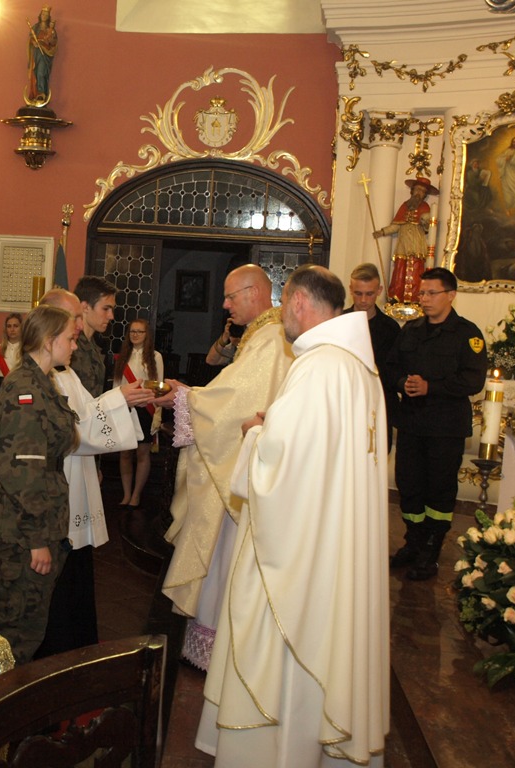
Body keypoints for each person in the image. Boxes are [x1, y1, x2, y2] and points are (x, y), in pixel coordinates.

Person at [198, 265, 390, 768]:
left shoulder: (318, 366)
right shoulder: (360, 368)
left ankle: (277, 750)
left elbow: (281, 463)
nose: (282, 313)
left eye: (284, 304)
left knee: (271, 634)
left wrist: (255, 433)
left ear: (300, 302)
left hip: (302, 551)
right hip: (335, 539)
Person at [155, 264, 293, 670]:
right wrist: (192, 396)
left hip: (244, 471)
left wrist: (186, 398)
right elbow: (233, 391)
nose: (225, 305)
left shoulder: (271, 339)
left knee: (227, 559)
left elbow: (235, 403)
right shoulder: (261, 335)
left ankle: (224, 648)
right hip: (242, 464)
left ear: (255, 293)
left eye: (232, 296)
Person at [34, 289, 151, 659]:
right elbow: (74, 430)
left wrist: (122, 400)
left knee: (77, 570)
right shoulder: (40, 378)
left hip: (77, 479)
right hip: (57, 485)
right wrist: (119, 400)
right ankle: (55, 651)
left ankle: (77, 645)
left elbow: (87, 412)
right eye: (72, 322)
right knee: (58, 579)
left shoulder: (64, 372)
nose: (77, 330)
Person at [0, 303, 78, 664]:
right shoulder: (25, 388)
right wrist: (37, 540)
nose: (74, 346)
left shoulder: (42, 381)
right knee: (17, 632)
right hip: (22, 530)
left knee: (28, 625)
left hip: (37, 521)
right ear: (49, 341)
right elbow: (23, 470)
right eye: (70, 338)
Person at [385, 267, 488, 581]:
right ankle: (413, 541)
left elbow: (473, 380)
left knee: (439, 490)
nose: (424, 299)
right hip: (413, 423)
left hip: (445, 428)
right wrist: (403, 382)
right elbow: (390, 368)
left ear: (451, 295)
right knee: (409, 485)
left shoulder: (467, 334)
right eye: (422, 293)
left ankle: (431, 549)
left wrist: (432, 387)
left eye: (432, 293)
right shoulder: (411, 330)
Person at [345, 263, 400, 448]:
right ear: (350, 289)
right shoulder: (339, 322)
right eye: (358, 293)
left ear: (379, 291)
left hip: (379, 405)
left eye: (369, 294)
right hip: (346, 403)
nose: (363, 300)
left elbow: (394, 371)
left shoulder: (390, 328)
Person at [112, 319, 162, 508]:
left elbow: (159, 386)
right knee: (125, 453)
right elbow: (116, 385)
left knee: (142, 453)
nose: (135, 335)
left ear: (146, 335)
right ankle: (126, 494)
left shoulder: (155, 357)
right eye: (132, 331)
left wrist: (157, 412)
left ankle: (136, 494)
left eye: (139, 331)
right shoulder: (122, 357)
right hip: (125, 408)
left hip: (145, 409)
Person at [374, 176, 437, 304]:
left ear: (425, 195)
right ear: (412, 191)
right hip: (403, 244)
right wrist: (382, 232)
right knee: (400, 270)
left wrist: (426, 220)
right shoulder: (404, 206)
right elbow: (396, 225)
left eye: (422, 191)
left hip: (416, 243)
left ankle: (414, 297)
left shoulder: (425, 207)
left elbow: (428, 227)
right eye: (417, 190)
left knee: (416, 270)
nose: (419, 193)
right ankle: (396, 295)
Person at [71, 275, 116, 398]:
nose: (111, 316)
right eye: (105, 309)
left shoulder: (94, 345)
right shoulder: (70, 344)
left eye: (112, 309)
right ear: (85, 307)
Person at [0, 312, 23, 427]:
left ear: (22, 328)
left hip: (21, 391)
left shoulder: (28, 350)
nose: (12, 329)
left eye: (16, 326)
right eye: (9, 326)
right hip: (2, 392)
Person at [26, 6, 58, 106]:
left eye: (46, 15)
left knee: (41, 73)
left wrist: (50, 39)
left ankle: (42, 93)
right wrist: (34, 42)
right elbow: (31, 39)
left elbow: (54, 43)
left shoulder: (51, 30)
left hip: (45, 55)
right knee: (35, 73)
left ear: (48, 17)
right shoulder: (35, 27)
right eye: (43, 14)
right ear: (40, 15)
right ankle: (35, 94)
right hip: (36, 54)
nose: (44, 16)